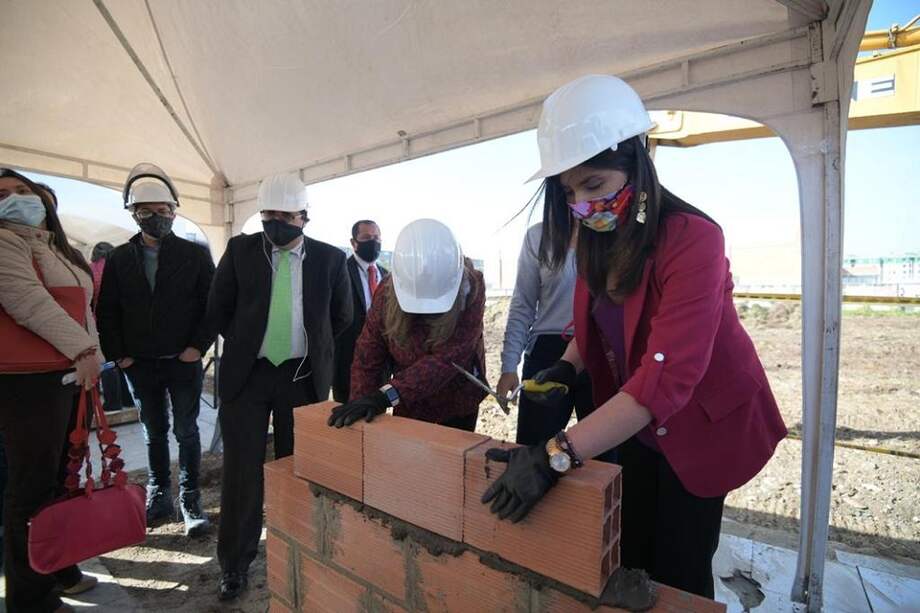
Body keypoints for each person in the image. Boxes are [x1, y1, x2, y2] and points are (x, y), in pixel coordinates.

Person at [481, 75, 788, 599]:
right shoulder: (599, 235)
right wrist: (569, 365)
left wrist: (556, 455)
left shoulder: (694, 240)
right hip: (639, 421)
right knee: (632, 549)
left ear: (638, 163)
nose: (581, 202)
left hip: (700, 422)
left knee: (681, 568)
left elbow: (663, 382)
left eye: (594, 184)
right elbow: (598, 322)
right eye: (569, 190)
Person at [207, 172, 352, 601]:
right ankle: (234, 564)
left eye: (284, 216)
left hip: (301, 379)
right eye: (268, 215)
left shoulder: (330, 259)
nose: (275, 224)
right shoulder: (240, 251)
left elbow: (342, 318)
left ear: (303, 218)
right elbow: (219, 307)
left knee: (297, 470)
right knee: (241, 473)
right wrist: (235, 341)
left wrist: (311, 348)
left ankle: (299, 549)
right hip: (247, 377)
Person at [95, 163, 215, 537]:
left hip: (184, 361)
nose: (157, 218)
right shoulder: (118, 258)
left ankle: (190, 498)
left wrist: (197, 346)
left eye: (163, 211)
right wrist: (120, 356)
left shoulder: (194, 255)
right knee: (153, 431)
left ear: (174, 212)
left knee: (186, 430)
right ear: (134, 214)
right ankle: (159, 493)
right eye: (147, 212)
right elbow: (106, 310)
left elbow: (211, 305)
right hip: (140, 364)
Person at [0, 168, 100, 613]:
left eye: (23, 190)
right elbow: (27, 301)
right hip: (29, 382)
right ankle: (29, 598)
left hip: (65, 376)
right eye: (3, 194)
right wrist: (83, 350)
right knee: (31, 489)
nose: (16, 198)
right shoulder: (5, 243)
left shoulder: (58, 248)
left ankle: (58, 567)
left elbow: (84, 311)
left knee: (62, 478)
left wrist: (91, 355)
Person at [328, 218, 487, 431]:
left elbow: (448, 359)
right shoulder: (386, 291)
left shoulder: (471, 289)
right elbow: (369, 352)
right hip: (410, 401)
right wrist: (362, 402)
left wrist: (385, 396)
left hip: (457, 398)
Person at [497, 222, 605, 455]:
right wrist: (509, 365)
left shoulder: (616, 233)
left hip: (603, 354)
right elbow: (523, 304)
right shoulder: (538, 236)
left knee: (605, 458)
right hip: (547, 354)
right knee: (534, 451)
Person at [332, 219, 388, 402]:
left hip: (381, 364)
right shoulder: (340, 271)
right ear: (353, 242)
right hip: (347, 362)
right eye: (366, 237)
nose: (373, 242)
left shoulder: (387, 276)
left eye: (376, 238)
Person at [89, 242, 135, 413]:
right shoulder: (121, 268)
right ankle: (128, 398)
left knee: (107, 363)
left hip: (99, 323)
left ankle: (112, 401)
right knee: (121, 359)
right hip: (122, 323)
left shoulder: (90, 269)